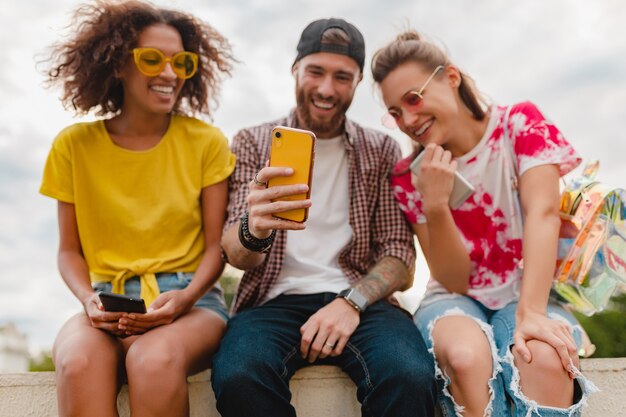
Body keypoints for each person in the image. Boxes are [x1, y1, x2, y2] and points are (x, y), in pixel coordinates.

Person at [211, 18, 437, 417]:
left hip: (361, 300)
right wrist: (255, 228)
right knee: (239, 377)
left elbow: (400, 255)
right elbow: (233, 252)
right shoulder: (253, 141)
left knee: (409, 376)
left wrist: (351, 303)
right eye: (315, 71)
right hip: (270, 301)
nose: (326, 89)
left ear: (357, 82)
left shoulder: (380, 148)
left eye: (342, 77)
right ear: (295, 70)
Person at [371, 31, 597, 417]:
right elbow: (455, 280)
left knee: (543, 358)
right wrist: (437, 204)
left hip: (530, 290)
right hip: (454, 299)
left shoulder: (520, 125)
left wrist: (531, 315)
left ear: (451, 78)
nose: (408, 120)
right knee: (464, 357)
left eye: (413, 98)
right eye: (395, 112)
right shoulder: (409, 176)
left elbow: (542, 214)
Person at [39, 1, 235, 416]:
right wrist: (88, 298)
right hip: (107, 305)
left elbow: (217, 247)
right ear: (116, 65)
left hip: (192, 304)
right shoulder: (73, 147)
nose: (169, 74)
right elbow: (69, 251)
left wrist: (183, 298)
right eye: (151, 60)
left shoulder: (207, 143)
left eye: (180, 63)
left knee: (153, 360)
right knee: (76, 363)